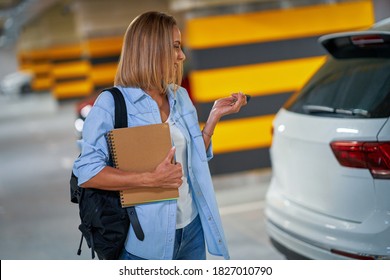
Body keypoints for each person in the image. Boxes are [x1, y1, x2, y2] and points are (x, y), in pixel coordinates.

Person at [73, 11, 247, 260]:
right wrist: (151, 179)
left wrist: (213, 119)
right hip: (146, 241)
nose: (182, 55)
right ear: (151, 49)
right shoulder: (111, 105)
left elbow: (192, 158)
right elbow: (87, 172)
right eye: (175, 46)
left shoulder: (179, 96)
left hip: (192, 230)